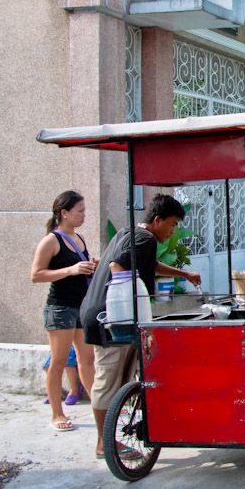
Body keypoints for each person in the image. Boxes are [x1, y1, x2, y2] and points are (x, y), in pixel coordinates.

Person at [80, 194, 200, 459]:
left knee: (121, 381)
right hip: (110, 319)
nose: (171, 232)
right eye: (170, 225)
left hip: (107, 316)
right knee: (108, 381)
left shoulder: (132, 234)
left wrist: (184, 274)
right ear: (157, 220)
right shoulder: (144, 238)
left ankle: (111, 438)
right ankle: (104, 444)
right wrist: (128, 306)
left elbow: (151, 266)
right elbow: (117, 265)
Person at [30, 190, 97, 432]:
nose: (84, 216)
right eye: (80, 211)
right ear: (64, 213)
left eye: (84, 211)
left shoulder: (78, 238)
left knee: (87, 360)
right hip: (60, 308)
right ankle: (57, 413)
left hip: (81, 307)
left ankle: (98, 407)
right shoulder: (51, 240)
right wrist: (70, 270)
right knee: (58, 361)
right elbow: (36, 274)